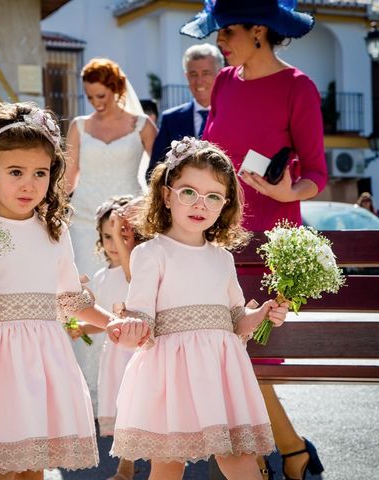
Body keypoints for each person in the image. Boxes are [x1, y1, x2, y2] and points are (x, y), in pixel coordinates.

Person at [0, 102, 118, 479]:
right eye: (15, 171)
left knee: (32, 469)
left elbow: (67, 298)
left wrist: (112, 322)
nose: (29, 183)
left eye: (40, 173)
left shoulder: (54, 231)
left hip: (40, 366)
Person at [181, 1, 328, 479]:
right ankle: (287, 452)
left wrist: (289, 189)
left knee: (247, 359)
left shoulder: (298, 87)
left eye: (226, 32)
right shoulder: (224, 82)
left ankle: (276, 455)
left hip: (271, 242)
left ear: (259, 30)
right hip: (220, 239)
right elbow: (208, 158)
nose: (219, 42)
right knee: (226, 356)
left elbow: (317, 174)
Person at [106, 137, 289, 480]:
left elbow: (237, 319)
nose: (200, 204)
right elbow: (140, 318)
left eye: (213, 196)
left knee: (238, 459)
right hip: (171, 376)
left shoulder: (222, 258)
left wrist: (262, 312)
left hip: (220, 373)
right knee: (167, 465)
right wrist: (127, 330)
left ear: (225, 204)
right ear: (166, 194)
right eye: (189, 192)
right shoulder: (151, 253)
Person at [65, 57, 157, 405]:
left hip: (125, 225)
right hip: (84, 221)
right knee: (86, 300)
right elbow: (69, 178)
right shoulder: (79, 125)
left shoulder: (142, 125)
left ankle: (128, 389)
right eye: (90, 97)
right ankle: (88, 392)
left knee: (124, 298)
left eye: (102, 95)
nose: (96, 103)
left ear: (118, 89)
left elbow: (159, 176)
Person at [67, 194, 144, 480]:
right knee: (124, 410)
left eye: (122, 235)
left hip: (137, 353)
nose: (115, 244)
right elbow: (107, 322)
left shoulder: (137, 267)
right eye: (107, 237)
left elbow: (130, 276)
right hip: (115, 356)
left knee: (138, 407)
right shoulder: (100, 277)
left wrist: (121, 235)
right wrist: (82, 327)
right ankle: (127, 462)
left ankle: (126, 469)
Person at [145, 43, 224, 180]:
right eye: (193, 74)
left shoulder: (234, 116)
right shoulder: (171, 119)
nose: (199, 81)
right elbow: (154, 172)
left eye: (206, 73)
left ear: (220, 74)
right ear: (186, 76)